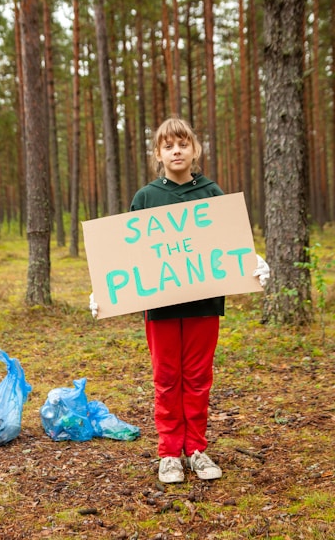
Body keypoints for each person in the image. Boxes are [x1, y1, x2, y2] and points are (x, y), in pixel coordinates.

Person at [90, 117, 269, 484]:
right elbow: (130, 251)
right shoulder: (146, 197)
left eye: (183, 144)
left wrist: (253, 260)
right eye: (168, 145)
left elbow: (229, 240)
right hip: (161, 307)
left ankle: (197, 450)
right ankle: (170, 453)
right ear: (158, 153)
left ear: (194, 150)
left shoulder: (211, 193)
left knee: (199, 377)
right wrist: (105, 290)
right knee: (167, 378)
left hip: (204, 305)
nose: (176, 150)